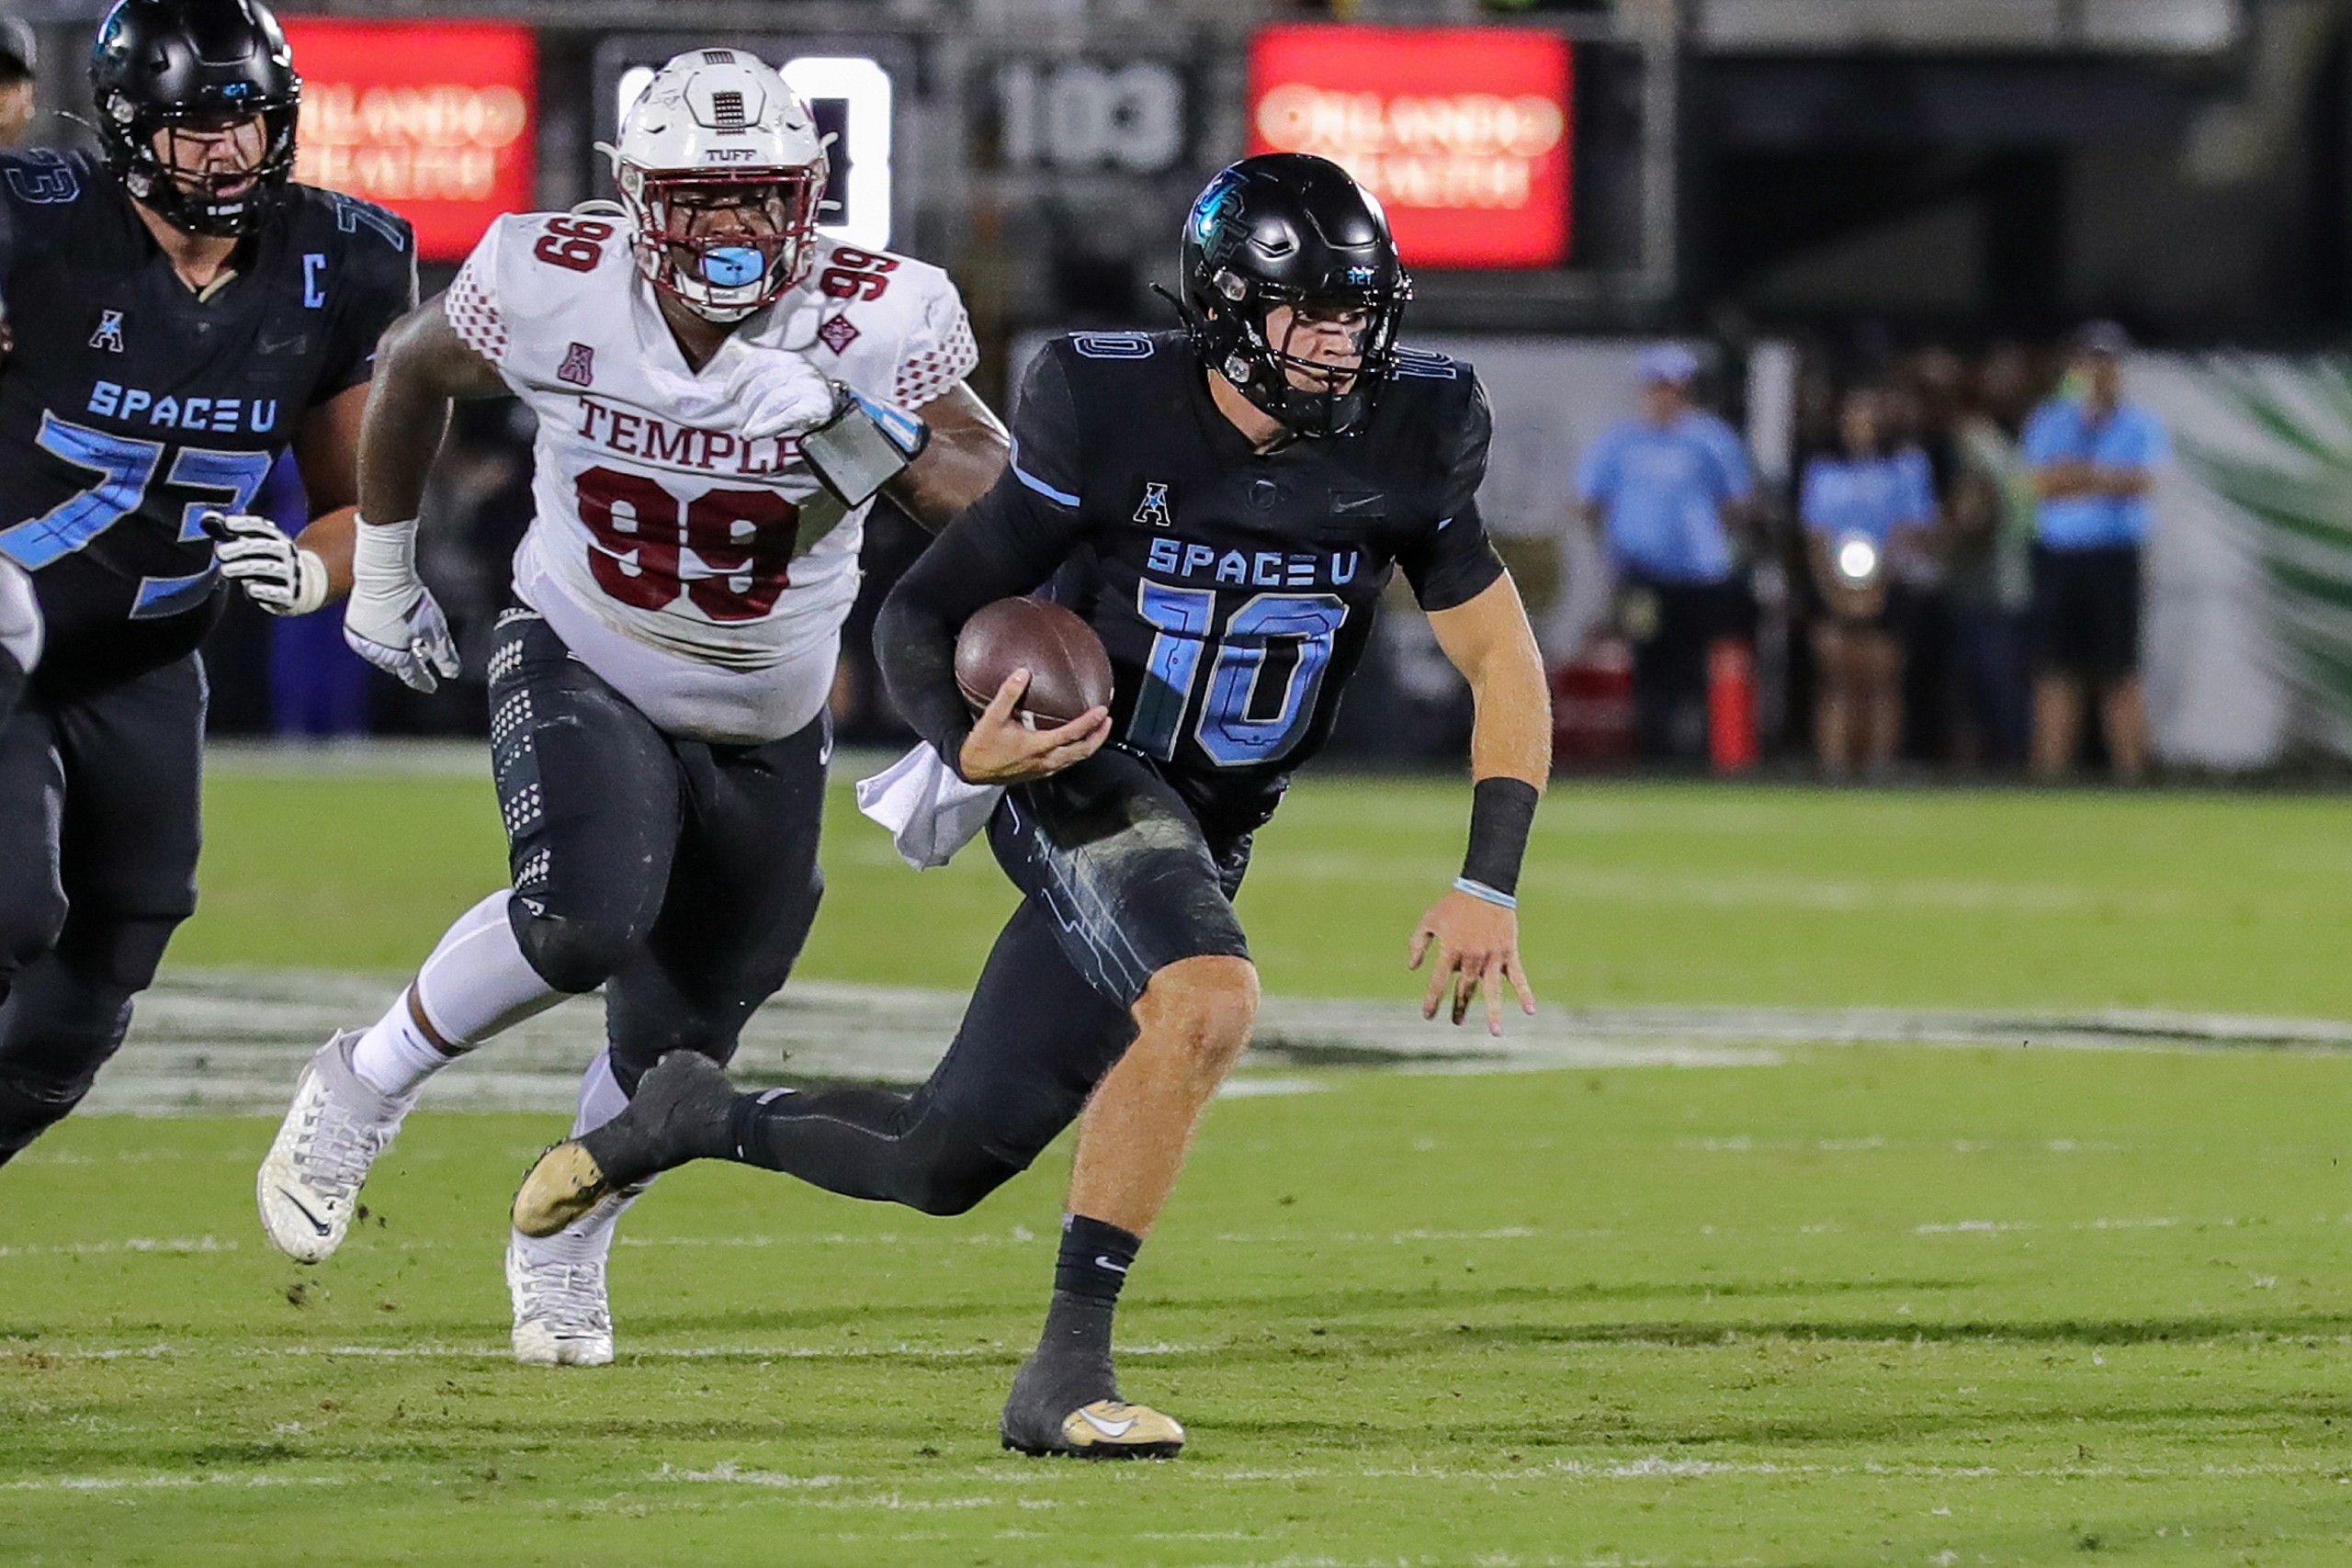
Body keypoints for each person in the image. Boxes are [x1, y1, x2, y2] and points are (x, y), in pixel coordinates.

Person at [507, 152, 1553, 1459]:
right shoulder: (1110, 405)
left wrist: (1488, 877)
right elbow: (920, 612)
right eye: (1312, 313)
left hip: (1213, 819)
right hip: (1078, 771)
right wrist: (970, 746)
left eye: (1359, 313)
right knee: (1207, 1001)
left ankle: (690, 1113)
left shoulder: (1417, 424)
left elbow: (1502, 659)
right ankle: (1065, 1373)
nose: (1342, 344)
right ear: (1229, 308)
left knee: (943, 1158)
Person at [254, 51, 1010, 1369]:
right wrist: (381, 568)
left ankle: (563, 1243)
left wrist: (855, 422)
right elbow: (411, 366)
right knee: (583, 915)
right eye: (700, 197)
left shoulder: (880, 314)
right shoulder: (553, 277)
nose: (733, 226)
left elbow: (996, 490)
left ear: (810, 192)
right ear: (633, 198)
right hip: (582, 643)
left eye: (761, 194)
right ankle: (364, 1078)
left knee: (683, 1050)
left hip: (769, 705)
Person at [0, 0, 414, 1167]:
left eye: (248, 118)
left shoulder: (344, 260)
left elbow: (361, 504)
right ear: (131, 128)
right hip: (6, 633)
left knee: (111, 962)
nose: (227, 148)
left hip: (147, 651)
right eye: (195, 124)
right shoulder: (32, 220)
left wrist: (311, 569)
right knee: (10, 905)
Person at [1574, 344, 1753, 761]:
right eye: (1657, 386)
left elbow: (1737, 502)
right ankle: (1653, 753)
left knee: (1695, 664)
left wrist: (1709, 537)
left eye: (1672, 387)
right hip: (1641, 576)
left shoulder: (1710, 440)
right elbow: (1588, 503)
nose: (1664, 395)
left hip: (1700, 578)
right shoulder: (1620, 442)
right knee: (1648, 662)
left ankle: (1696, 753)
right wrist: (1615, 548)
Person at [2021, 321, 2166, 781]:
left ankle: (2132, 778)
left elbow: (2140, 482)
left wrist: (2078, 475)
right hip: (2060, 557)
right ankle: (2049, 779)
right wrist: (2103, 477)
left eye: (2108, 362)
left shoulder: (2141, 423)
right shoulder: (2049, 420)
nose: (2100, 371)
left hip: (2114, 558)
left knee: (2118, 671)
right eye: (2091, 361)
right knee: (2055, 671)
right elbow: (2040, 483)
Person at [1800, 388, 1937, 777]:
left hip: (1888, 584)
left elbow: (1911, 528)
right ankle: (1833, 767)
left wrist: (1878, 586)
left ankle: (1879, 766)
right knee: (1835, 677)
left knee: (1882, 676)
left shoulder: (1907, 467)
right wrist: (1835, 592)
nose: (1860, 427)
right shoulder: (1823, 471)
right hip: (1834, 586)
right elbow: (1816, 535)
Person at [1945, 344, 2041, 768]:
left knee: (1995, 685)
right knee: (1987, 685)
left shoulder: (1994, 440)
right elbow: (1974, 503)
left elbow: (1980, 509)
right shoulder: (1982, 440)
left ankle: (2004, 766)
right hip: (1985, 585)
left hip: (2001, 584)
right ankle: (1991, 763)